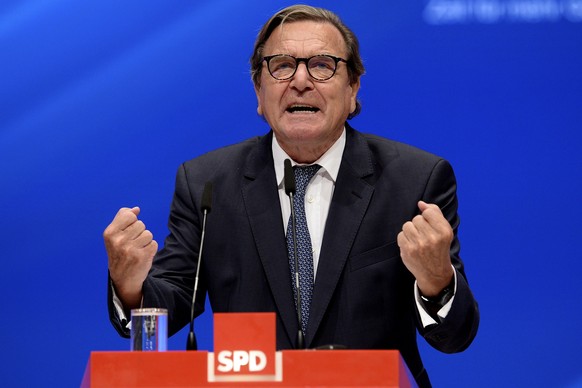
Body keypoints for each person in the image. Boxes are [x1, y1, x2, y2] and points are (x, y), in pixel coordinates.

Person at [104, 5, 479, 387]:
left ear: (353, 90)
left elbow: (456, 336)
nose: (300, 80)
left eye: (322, 65)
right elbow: (171, 303)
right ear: (259, 92)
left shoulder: (414, 180)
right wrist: (129, 285)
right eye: (281, 65)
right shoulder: (206, 183)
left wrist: (437, 280)